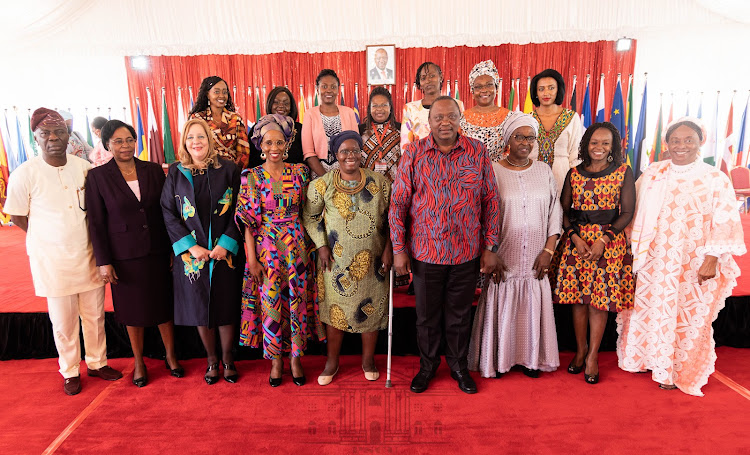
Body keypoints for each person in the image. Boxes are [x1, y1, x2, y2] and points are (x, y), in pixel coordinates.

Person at [617, 117, 745, 396]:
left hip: (691, 260)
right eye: (675, 140)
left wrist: (712, 258)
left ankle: (676, 370)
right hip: (653, 258)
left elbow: (725, 221)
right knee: (651, 309)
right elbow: (632, 211)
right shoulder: (653, 173)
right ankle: (649, 361)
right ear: (666, 143)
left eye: (689, 140)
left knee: (685, 315)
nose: (681, 145)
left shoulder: (714, 178)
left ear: (701, 142)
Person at [4, 108, 122, 396]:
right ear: (36, 138)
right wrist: (47, 237)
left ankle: (96, 362)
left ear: (69, 135)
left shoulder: (83, 168)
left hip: (88, 255)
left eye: (59, 132)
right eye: (45, 133)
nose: (53, 138)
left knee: (94, 315)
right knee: (63, 320)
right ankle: (69, 370)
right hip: (52, 260)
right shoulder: (25, 173)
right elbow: (18, 216)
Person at [390, 96, 500, 394]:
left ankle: (458, 366)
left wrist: (490, 246)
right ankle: (427, 367)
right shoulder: (413, 153)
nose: (445, 122)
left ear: (460, 118)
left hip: (466, 252)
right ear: (429, 121)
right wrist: (399, 250)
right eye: (439, 117)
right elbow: (398, 203)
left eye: (451, 116)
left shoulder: (477, 152)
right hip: (425, 252)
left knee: (459, 315)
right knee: (426, 317)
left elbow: (490, 201)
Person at [86, 120, 183, 388]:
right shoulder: (97, 177)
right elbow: (96, 222)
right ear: (107, 145)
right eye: (118, 141)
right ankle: (139, 361)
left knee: (163, 306)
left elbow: (167, 212)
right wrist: (104, 262)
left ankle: (171, 356)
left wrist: (175, 248)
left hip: (158, 249)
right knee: (131, 310)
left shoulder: (153, 170)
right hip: (124, 255)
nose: (125, 145)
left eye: (129, 139)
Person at [468, 112, 561, 379]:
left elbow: (556, 212)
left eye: (530, 137)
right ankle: (497, 360)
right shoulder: (493, 170)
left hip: (536, 255)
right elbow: (482, 213)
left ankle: (532, 360)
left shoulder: (543, 170)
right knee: (502, 299)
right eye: (519, 136)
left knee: (531, 301)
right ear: (508, 138)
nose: (525, 142)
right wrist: (489, 253)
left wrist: (549, 250)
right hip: (503, 256)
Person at [236, 114, 325, 387]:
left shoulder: (299, 172)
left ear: (287, 143)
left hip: (297, 249)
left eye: (279, 141)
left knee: (297, 302)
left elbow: (309, 210)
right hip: (266, 250)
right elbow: (247, 224)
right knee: (271, 302)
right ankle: (275, 360)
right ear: (259, 145)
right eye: (267, 142)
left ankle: (296, 358)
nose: (273, 147)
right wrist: (251, 259)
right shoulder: (251, 176)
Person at [303, 130, 393, 386]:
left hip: (374, 262)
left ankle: (368, 360)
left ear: (361, 153)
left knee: (371, 309)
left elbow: (393, 220)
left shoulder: (380, 183)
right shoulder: (322, 184)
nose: (350, 156)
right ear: (335, 155)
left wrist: (389, 247)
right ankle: (332, 362)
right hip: (336, 262)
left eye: (355, 150)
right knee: (336, 311)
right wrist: (321, 245)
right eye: (344, 151)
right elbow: (310, 217)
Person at [161, 118, 244, 385]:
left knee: (225, 304)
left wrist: (226, 244)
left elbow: (240, 209)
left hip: (225, 252)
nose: (196, 142)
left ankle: (228, 359)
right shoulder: (176, 171)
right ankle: (211, 360)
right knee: (199, 306)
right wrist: (190, 246)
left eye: (201, 137)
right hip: (192, 256)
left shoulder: (228, 169)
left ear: (210, 140)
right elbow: (168, 212)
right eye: (190, 137)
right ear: (184, 142)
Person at [553, 122, 635, 384]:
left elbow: (627, 212)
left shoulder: (623, 172)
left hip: (608, 244)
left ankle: (593, 356)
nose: (599, 148)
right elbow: (564, 211)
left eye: (605, 143)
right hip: (577, 243)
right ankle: (580, 351)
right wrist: (574, 238)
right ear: (586, 144)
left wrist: (604, 239)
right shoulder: (574, 173)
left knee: (599, 302)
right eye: (594, 142)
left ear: (613, 147)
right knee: (578, 300)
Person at [530, 69, 583, 194]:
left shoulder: (572, 117)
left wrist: (572, 185)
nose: (546, 93)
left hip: (563, 179)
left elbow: (576, 154)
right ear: (536, 93)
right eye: (541, 89)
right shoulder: (528, 119)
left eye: (551, 88)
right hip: (532, 179)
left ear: (558, 90)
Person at [302, 69, 358, 177]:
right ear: (317, 89)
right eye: (324, 86)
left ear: (338, 90)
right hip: (320, 176)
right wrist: (327, 179)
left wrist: (344, 176)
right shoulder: (310, 114)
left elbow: (356, 148)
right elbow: (309, 153)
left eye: (333, 87)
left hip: (347, 173)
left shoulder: (349, 113)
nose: (329, 90)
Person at [189, 76, 251, 169]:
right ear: (207, 94)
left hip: (232, 171)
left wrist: (234, 172)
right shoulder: (197, 119)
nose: (222, 95)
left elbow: (244, 152)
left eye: (225, 92)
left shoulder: (235, 119)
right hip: (206, 171)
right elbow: (193, 148)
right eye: (217, 91)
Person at [400, 62, 465, 149]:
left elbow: (462, 137)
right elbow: (405, 145)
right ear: (420, 83)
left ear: (440, 77)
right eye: (423, 78)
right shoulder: (410, 109)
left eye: (432, 76)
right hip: (420, 161)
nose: (428, 80)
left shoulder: (457, 105)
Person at [459, 60, 511, 162]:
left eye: (489, 85)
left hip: (500, 174)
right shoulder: (462, 119)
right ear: (472, 92)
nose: (484, 90)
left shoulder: (509, 117)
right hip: (471, 175)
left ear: (496, 88)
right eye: (478, 87)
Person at [247, 86, 305, 168]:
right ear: (270, 104)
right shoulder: (258, 128)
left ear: (291, 107)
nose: (281, 106)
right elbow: (250, 158)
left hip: (294, 178)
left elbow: (306, 158)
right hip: (263, 178)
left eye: (286, 103)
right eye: (276, 102)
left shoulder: (300, 129)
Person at [359, 86, 402, 183]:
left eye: (384, 105)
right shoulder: (361, 130)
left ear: (390, 107)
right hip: (367, 187)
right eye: (375, 105)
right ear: (369, 108)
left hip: (395, 186)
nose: (379, 109)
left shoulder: (401, 129)